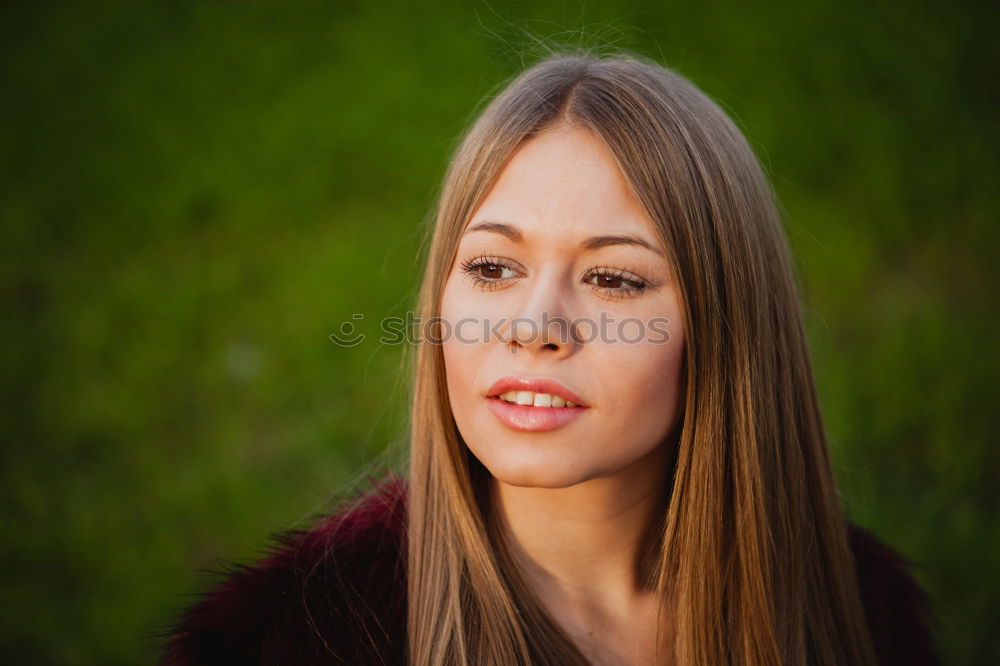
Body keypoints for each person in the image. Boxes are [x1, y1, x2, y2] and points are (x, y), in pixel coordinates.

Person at [159, 51, 938, 665]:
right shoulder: (290, 641)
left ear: (726, 325)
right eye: (493, 268)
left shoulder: (855, 611)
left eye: (613, 279)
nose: (535, 327)